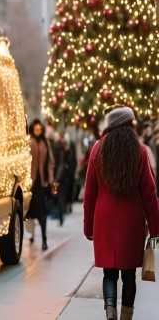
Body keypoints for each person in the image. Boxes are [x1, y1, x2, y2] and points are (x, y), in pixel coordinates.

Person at [84, 106, 159, 320]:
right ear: (129, 126)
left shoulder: (98, 150)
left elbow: (89, 193)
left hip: (104, 220)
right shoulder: (140, 151)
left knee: (109, 272)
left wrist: (88, 227)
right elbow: (149, 195)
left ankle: (110, 311)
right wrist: (155, 228)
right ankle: (126, 315)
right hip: (131, 221)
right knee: (129, 276)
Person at [26, 118, 54, 251]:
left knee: (42, 213)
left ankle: (44, 239)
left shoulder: (45, 143)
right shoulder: (28, 141)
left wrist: (51, 180)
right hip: (31, 183)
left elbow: (50, 162)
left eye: (40, 129)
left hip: (42, 183)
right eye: (36, 129)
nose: (38, 131)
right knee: (30, 212)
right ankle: (31, 234)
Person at [55, 132, 77, 226]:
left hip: (60, 179)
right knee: (59, 197)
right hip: (60, 179)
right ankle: (60, 215)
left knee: (60, 197)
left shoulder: (64, 151)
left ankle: (60, 215)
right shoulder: (60, 151)